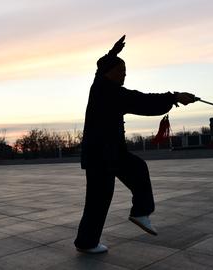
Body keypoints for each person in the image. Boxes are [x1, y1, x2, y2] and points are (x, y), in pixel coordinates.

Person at [74, 35, 197, 254]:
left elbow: (100, 67)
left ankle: (87, 241)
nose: (124, 75)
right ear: (110, 73)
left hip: (103, 153)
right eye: (121, 71)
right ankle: (140, 212)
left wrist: (113, 53)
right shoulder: (110, 92)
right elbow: (143, 101)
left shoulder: (99, 84)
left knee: (100, 198)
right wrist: (174, 96)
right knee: (107, 192)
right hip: (105, 155)